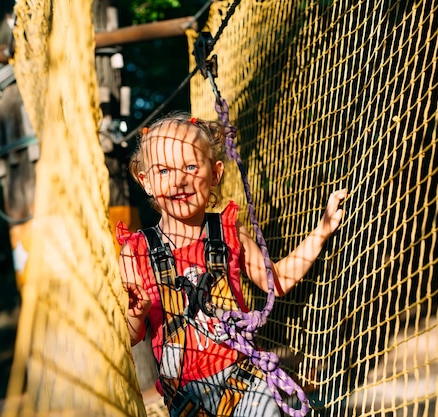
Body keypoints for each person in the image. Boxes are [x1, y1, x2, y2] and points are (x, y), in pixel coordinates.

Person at [117, 112, 347, 417]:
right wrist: (137, 314)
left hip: (246, 384)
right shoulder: (136, 252)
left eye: (190, 166)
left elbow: (275, 281)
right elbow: (130, 336)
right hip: (188, 401)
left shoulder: (228, 231)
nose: (179, 180)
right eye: (163, 171)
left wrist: (322, 231)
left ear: (215, 173)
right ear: (146, 181)